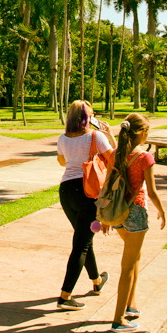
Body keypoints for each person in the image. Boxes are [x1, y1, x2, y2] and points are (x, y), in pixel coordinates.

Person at [107, 113, 165, 332]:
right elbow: (151, 191)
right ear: (140, 133)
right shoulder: (145, 158)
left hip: (118, 214)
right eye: (147, 132)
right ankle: (119, 318)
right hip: (136, 213)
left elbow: (108, 185)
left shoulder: (115, 154)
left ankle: (130, 305)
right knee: (127, 266)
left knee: (135, 257)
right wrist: (162, 211)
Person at [55, 100, 115, 310]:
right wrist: (109, 135)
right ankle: (65, 296)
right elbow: (114, 160)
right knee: (80, 245)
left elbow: (62, 162)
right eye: (91, 114)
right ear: (85, 118)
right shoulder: (96, 136)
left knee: (83, 238)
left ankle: (97, 281)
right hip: (87, 191)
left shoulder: (62, 139)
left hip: (66, 191)